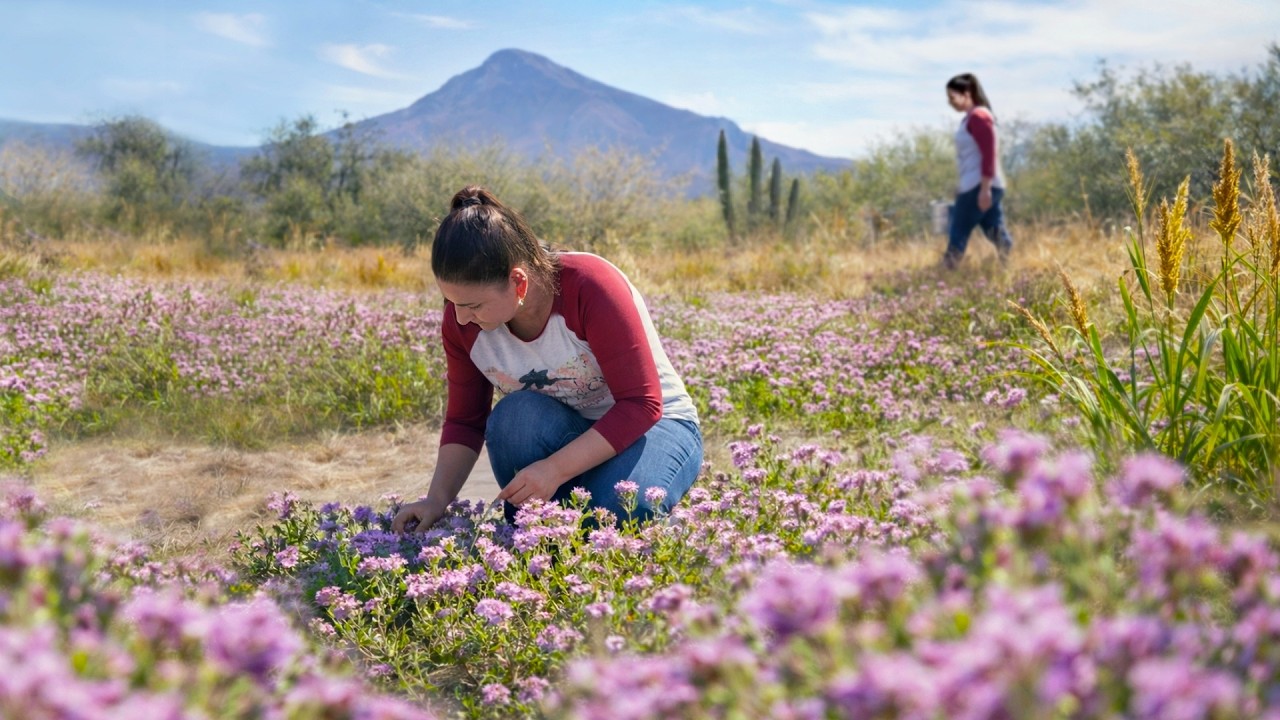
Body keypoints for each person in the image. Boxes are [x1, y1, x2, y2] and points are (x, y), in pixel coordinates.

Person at [391, 186, 703, 532]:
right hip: (566, 435)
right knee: (514, 418)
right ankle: (561, 522)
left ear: (518, 283)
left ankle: (624, 505)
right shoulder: (462, 323)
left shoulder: (590, 285)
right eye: (452, 302)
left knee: (619, 512)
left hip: (655, 427)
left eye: (473, 305)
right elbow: (465, 422)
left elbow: (642, 405)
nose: (461, 318)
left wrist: (553, 470)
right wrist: (436, 500)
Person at [943, 73, 1013, 269]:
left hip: (978, 185)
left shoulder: (979, 117)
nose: (950, 103)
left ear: (967, 93)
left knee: (958, 233)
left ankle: (943, 278)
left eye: (952, 97)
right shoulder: (970, 119)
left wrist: (985, 188)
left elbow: (989, 152)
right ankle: (1008, 270)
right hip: (977, 184)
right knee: (996, 231)